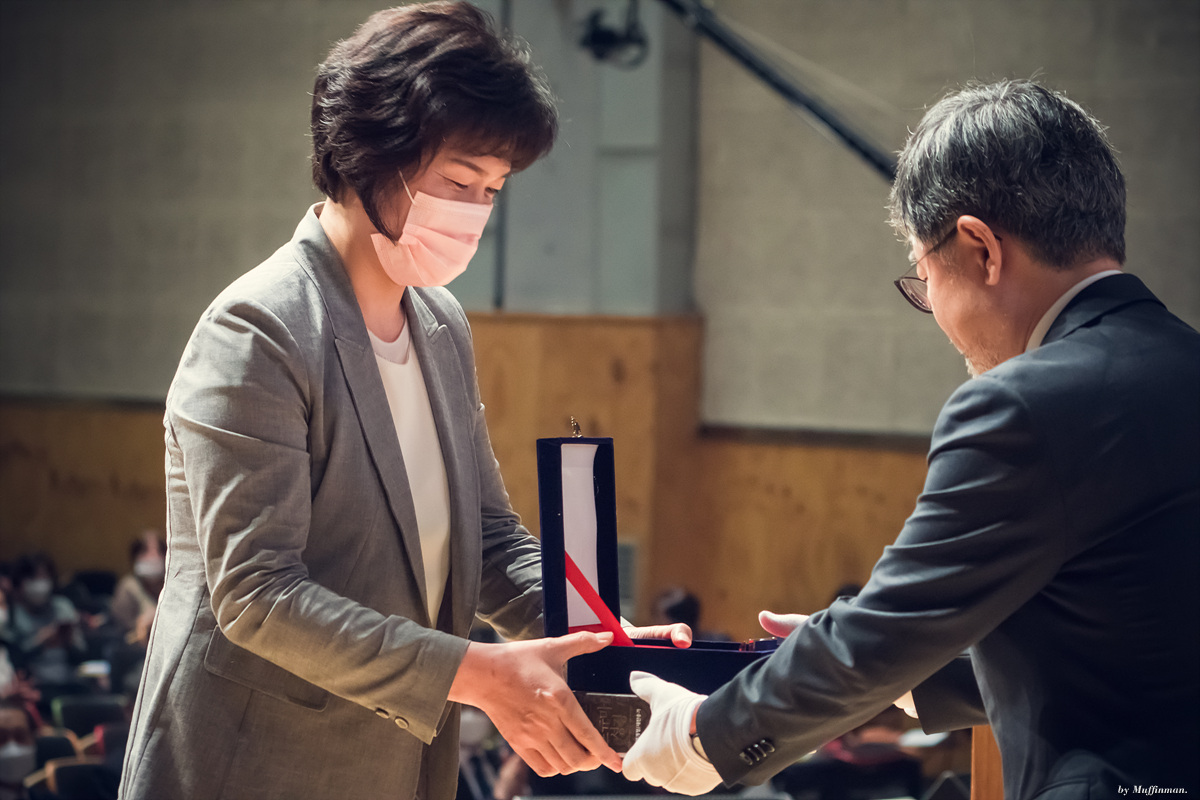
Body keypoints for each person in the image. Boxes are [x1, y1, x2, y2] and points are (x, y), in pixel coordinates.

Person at [118, 5, 687, 799]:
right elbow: (257, 596)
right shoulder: (258, 328)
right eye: (459, 181)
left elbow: (488, 539)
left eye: (492, 190)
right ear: (368, 153)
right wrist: (484, 675)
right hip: (252, 765)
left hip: (397, 764)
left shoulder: (440, 324)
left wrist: (597, 635)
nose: (476, 212)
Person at [623, 79, 1200, 799]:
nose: (934, 313)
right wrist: (901, 680)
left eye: (924, 278)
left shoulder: (1022, 407)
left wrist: (700, 738)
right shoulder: (1182, 366)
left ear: (981, 249)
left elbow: (886, 628)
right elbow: (1127, 655)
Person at [7, 555, 86, 689]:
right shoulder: (12, 613)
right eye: (34, 578)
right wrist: (39, 642)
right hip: (33, 685)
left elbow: (82, 654)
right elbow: (12, 659)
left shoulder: (63, 607)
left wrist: (69, 641)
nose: (40, 584)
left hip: (69, 681)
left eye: (44, 577)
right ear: (20, 583)